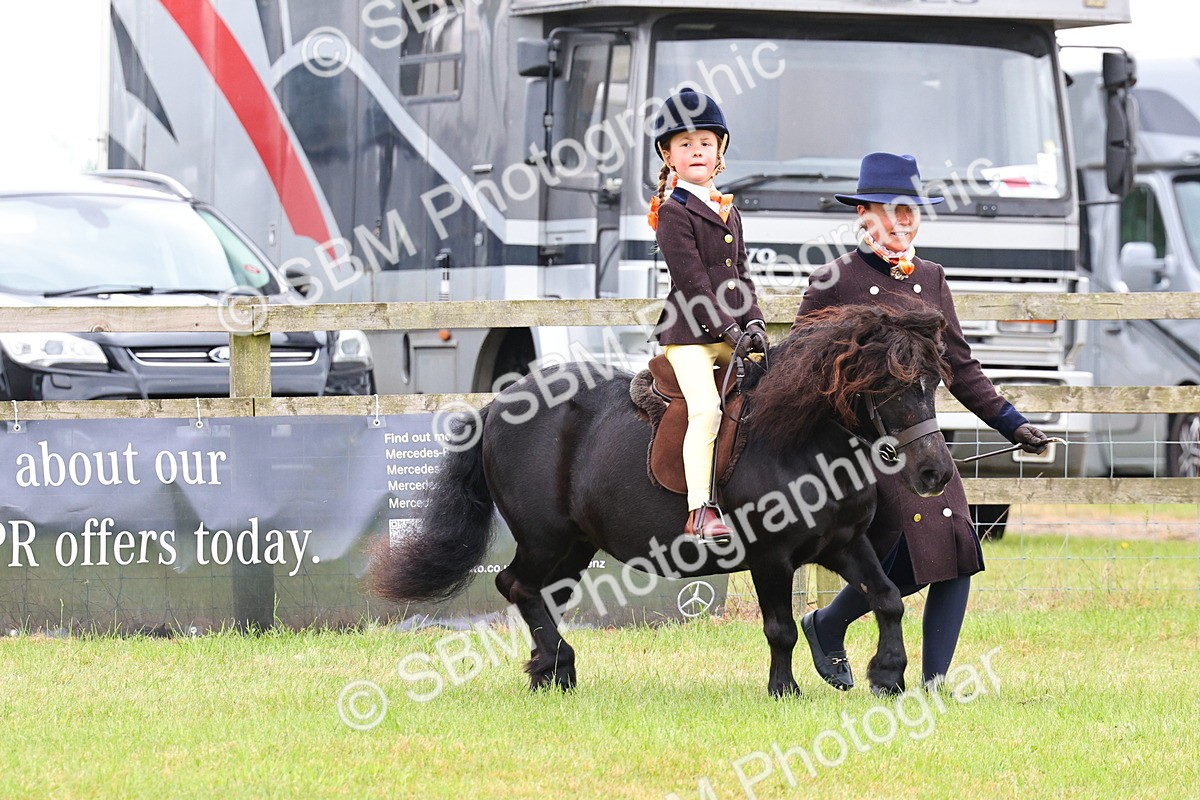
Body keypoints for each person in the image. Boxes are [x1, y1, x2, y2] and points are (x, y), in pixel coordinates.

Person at [794, 152, 1050, 688]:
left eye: (911, 211)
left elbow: (960, 363)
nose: (903, 221)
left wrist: (1010, 421)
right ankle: (830, 624)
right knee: (909, 541)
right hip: (863, 447)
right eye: (891, 210)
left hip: (921, 439)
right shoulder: (833, 279)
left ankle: (928, 681)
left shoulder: (931, 278)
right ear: (864, 213)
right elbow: (800, 368)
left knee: (957, 544)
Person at [648, 88, 767, 544]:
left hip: (730, 328)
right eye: (684, 144)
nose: (696, 150)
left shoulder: (728, 207)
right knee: (707, 409)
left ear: (720, 151)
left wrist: (753, 321)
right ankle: (700, 509)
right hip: (689, 333)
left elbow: (741, 275)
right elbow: (694, 281)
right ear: (668, 154)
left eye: (705, 143)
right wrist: (730, 329)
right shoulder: (673, 212)